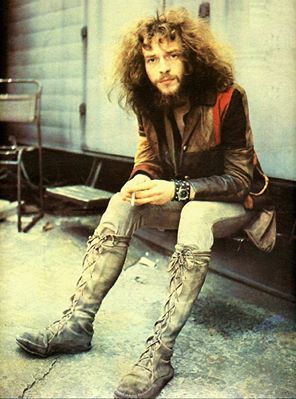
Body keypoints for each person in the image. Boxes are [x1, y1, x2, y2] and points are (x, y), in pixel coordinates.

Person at [16, 8, 276, 399]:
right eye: (152, 59)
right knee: (120, 204)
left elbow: (239, 180)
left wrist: (177, 190)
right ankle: (77, 325)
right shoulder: (148, 99)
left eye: (172, 55)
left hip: (235, 203)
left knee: (195, 212)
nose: (162, 68)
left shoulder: (227, 96)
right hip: (184, 194)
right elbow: (149, 157)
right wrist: (140, 177)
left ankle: (160, 354)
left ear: (191, 56)